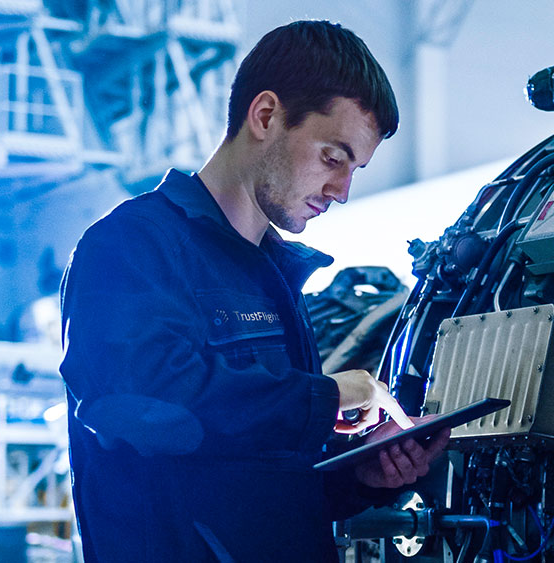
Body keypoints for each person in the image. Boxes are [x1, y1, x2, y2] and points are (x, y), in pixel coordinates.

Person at [59, 20, 449, 562]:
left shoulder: (274, 278)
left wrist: (362, 473)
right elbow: (150, 407)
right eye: (333, 158)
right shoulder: (130, 247)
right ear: (265, 116)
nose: (342, 190)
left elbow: (270, 480)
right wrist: (328, 397)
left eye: (355, 169)